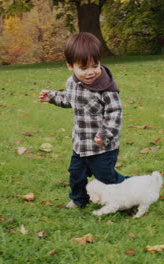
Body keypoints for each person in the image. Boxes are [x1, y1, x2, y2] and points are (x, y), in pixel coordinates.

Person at [39, 32, 127, 208]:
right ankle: (79, 200)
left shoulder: (107, 89)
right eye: (84, 68)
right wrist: (52, 97)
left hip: (103, 147)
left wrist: (105, 134)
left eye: (95, 66)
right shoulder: (71, 83)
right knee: (76, 173)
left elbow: (114, 113)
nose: (91, 72)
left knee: (106, 177)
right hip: (80, 144)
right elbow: (69, 100)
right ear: (70, 66)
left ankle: (130, 191)